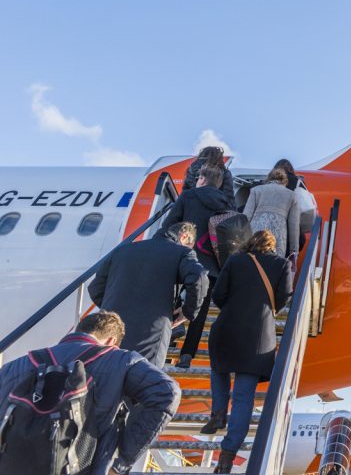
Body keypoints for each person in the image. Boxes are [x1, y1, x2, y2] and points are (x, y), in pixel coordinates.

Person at [0, 311, 180, 475]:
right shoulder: (121, 360)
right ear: (111, 342)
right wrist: (121, 463)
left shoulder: (14, 366)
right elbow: (167, 393)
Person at [202, 231, 293, 473]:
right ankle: (227, 456)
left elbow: (218, 295)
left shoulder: (235, 260)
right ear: (273, 246)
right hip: (259, 335)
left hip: (228, 326)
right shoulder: (282, 265)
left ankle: (218, 413)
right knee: (244, 397)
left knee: (219, 369)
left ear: (251, 243)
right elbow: (283, 298)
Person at [88, 222, 208, 367]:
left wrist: (114, 307)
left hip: (110, 330)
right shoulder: (182, 252)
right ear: (184, 236)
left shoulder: (122, 249)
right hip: (150, 334)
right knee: (143, 377)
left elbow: (95, 287)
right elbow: (199, 277)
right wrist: (187, 312)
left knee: (105, 375)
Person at [163, 166, 233, 367]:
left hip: (184, 257)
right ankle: (187, 354)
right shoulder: (226, 203)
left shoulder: (189, 196)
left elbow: (170, 224)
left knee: (172, 297)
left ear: (202, 179)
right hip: (212, 265)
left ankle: (168, 336)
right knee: (200, 309)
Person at [243, 168, 300, 258]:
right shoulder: (292, 195)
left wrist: (241, 241)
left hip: (257, 231)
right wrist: (294, 249)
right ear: (285, 181)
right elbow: (294, 225)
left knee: (253, 259)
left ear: (268, 178)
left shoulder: (256, 190)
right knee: (275, 261)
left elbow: (246, 216)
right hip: (278, 233)